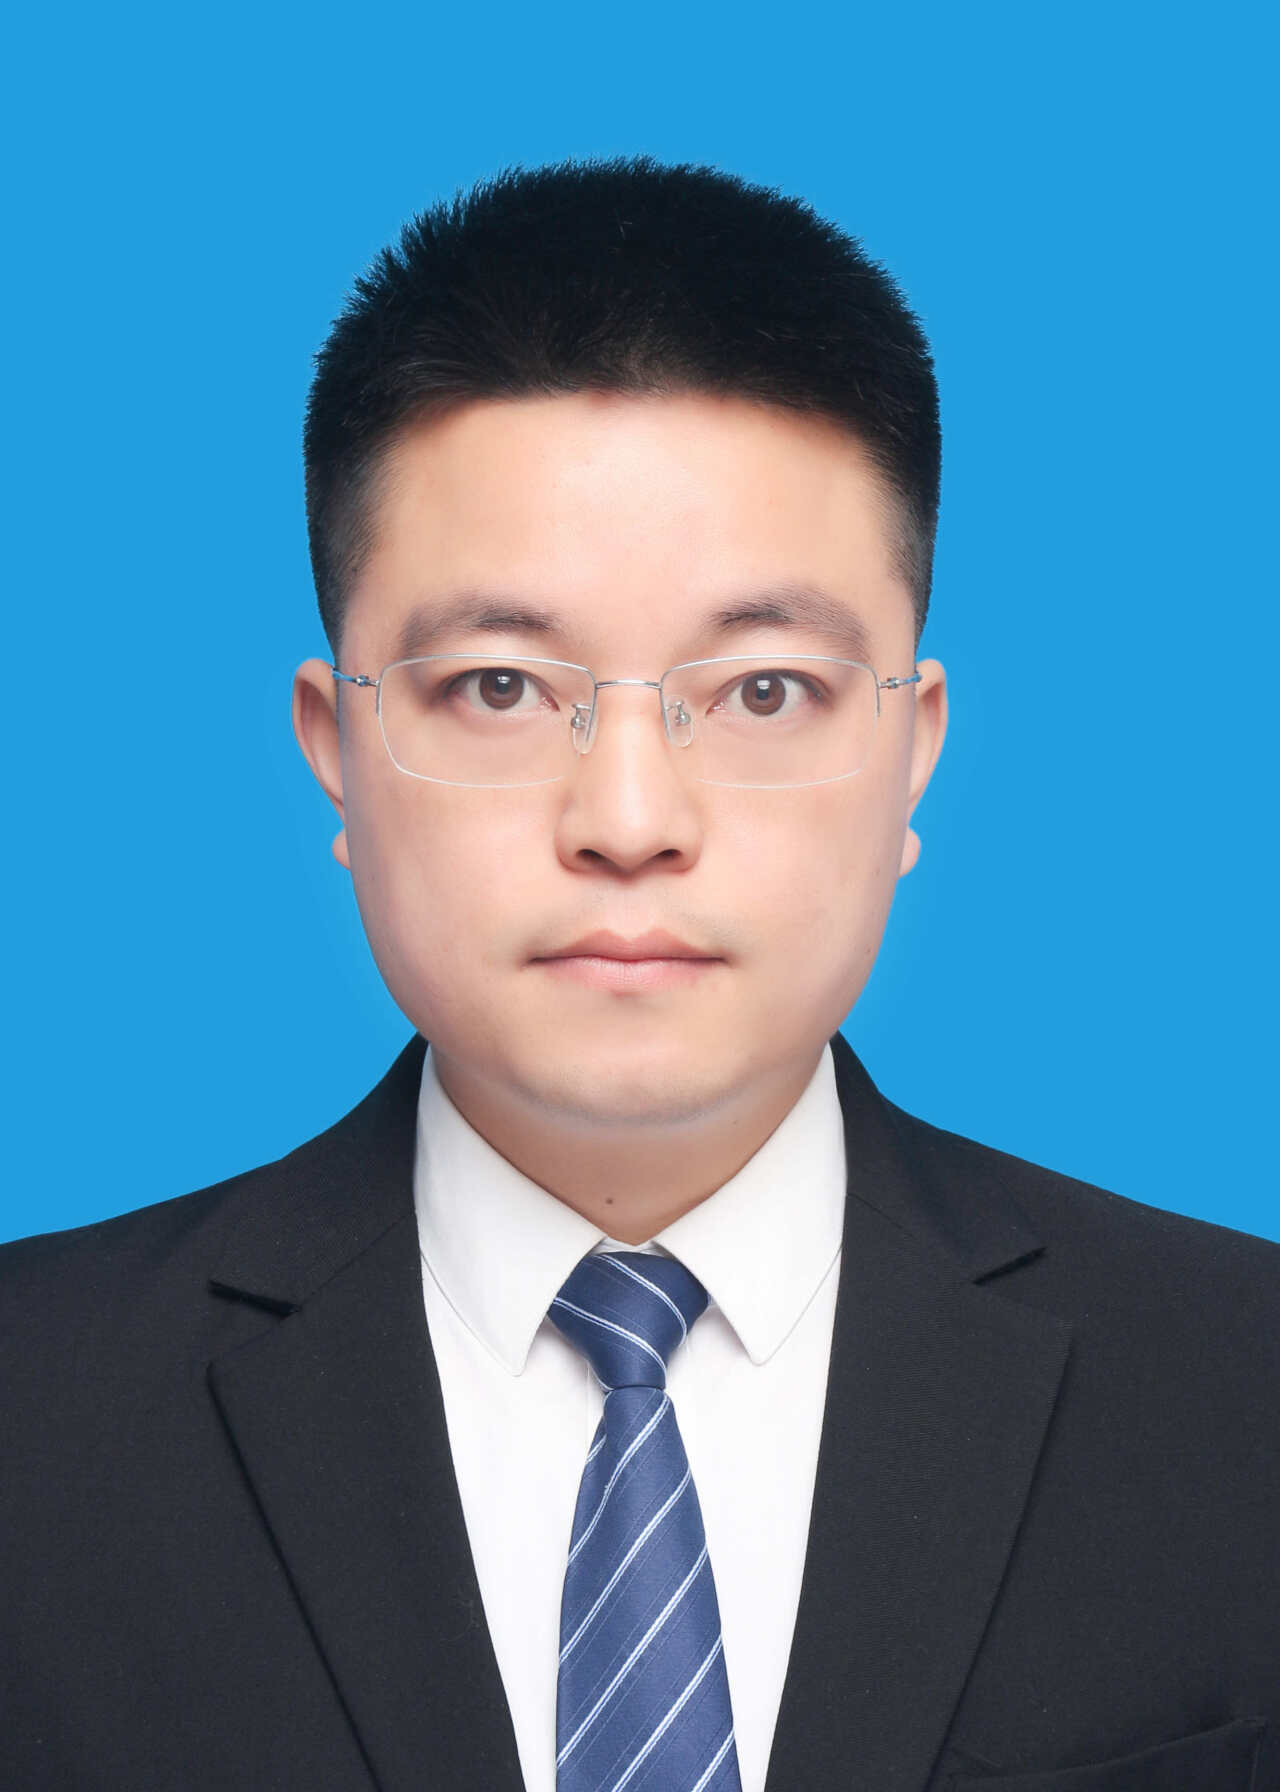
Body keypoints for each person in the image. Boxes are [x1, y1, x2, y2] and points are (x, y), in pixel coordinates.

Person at [2, 157, 1277, 1792]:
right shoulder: (33, 1420)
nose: (627, 820)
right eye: (498, 688)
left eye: (763, 692)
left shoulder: (1243, 1395)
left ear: (911, 751)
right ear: (336, 749)